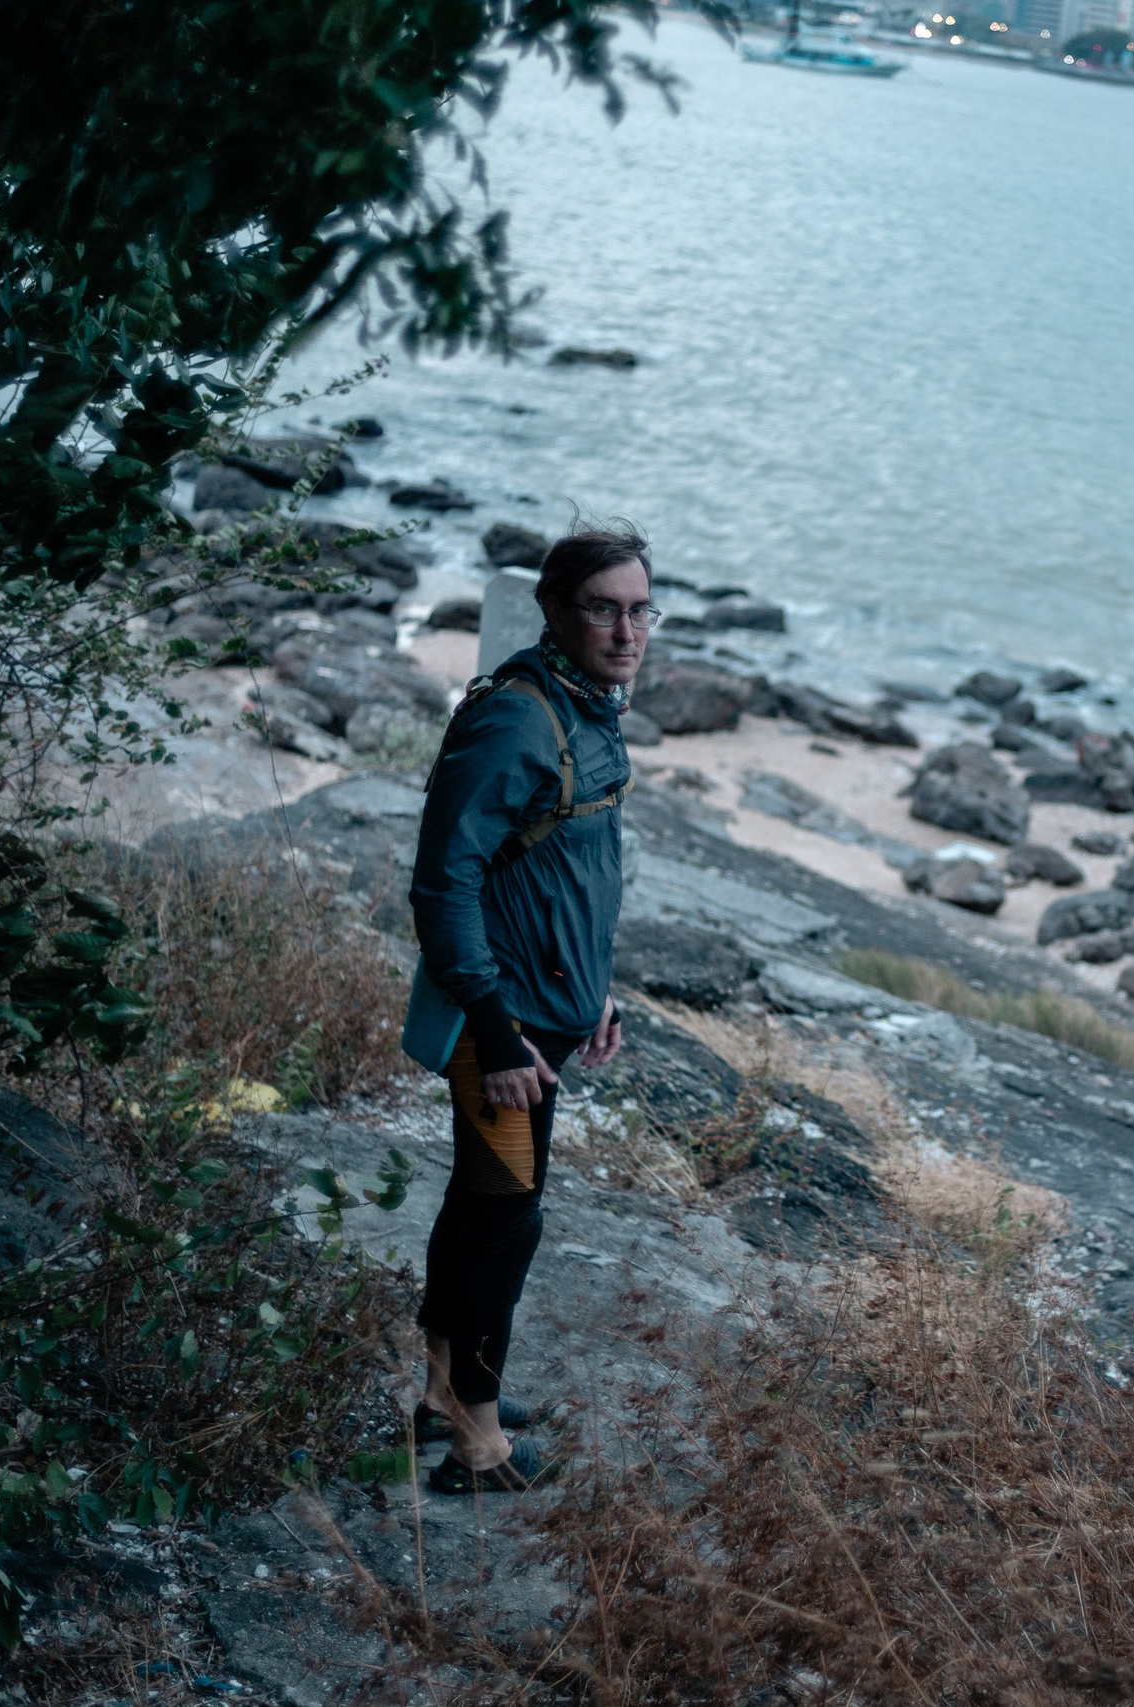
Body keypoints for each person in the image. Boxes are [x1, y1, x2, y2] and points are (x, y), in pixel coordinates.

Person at [399, 523, 657, 1493]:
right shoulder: (518, 720)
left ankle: (439, 1393)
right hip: (497, 1032)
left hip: (549, 1014)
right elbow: (443, 885)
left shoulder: (589, 706)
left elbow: (569, 873)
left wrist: (596, 993)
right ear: (555, 609)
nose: (626, 630)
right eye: (603, 608)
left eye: (639, 609)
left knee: (479, 1205)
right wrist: (499, 1030)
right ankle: (474, 1441)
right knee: (507, 1221)